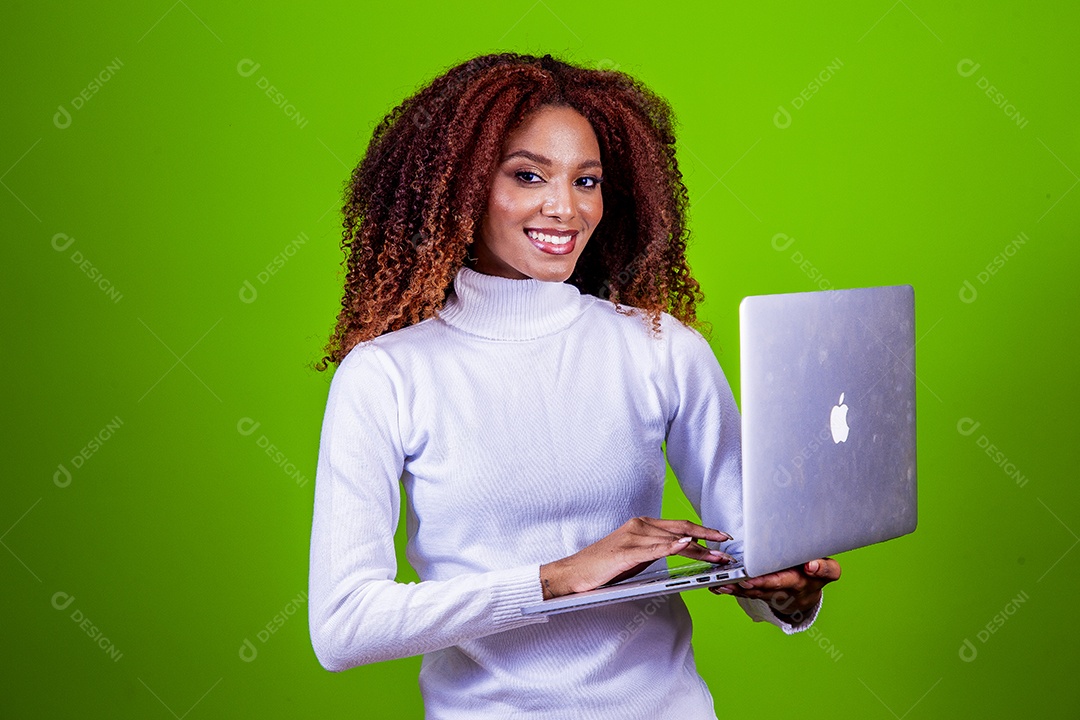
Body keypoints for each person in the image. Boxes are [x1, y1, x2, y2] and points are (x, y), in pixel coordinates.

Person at [308, 51, 841, 719]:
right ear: (460, 188)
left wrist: (787, 593)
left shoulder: (663, 350)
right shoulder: (387, 376)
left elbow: (748, 553)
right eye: (528, 175)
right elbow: (344, 626)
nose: (564, 209)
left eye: (586, 182)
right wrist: (557, 579)